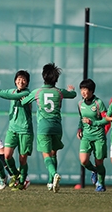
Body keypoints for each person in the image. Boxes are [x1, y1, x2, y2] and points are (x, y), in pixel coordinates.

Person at [21, 63, 77, 193]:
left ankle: (54, 174)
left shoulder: (38, 92)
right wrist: (71, 89)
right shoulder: (59, 92)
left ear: (43, 77)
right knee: (54, 153)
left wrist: (24, 98)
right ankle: (51, 182)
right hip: (57, 127)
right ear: (56, 79)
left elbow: (24, 101)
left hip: (44, 127)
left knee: (46, 155)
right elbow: (73, 95)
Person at [0, 70, 33, 190]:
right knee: (7, 155)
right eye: (19, 79)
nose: (21, 81)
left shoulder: (28, 93)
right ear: (15, 81)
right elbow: (3, 92)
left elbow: (9, 96)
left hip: (25, 130)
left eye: (24, 79)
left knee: (22, 158)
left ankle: (22, 181)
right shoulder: (12, 91)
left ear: (27, 82)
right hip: (12, 129)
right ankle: (15, 175)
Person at [77, 79, 108, 192]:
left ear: (91, 91)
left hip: (99, 136)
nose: (83, 92)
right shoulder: (80, 103)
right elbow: (81, 118)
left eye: (85, 90)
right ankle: (94, 171)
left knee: (99, 161)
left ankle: (101, 184)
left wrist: (93, 123)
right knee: (84, 161)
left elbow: (106, 120)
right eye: (82, 90)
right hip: (86, 136)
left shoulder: (98, 103)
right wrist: (79, 128)